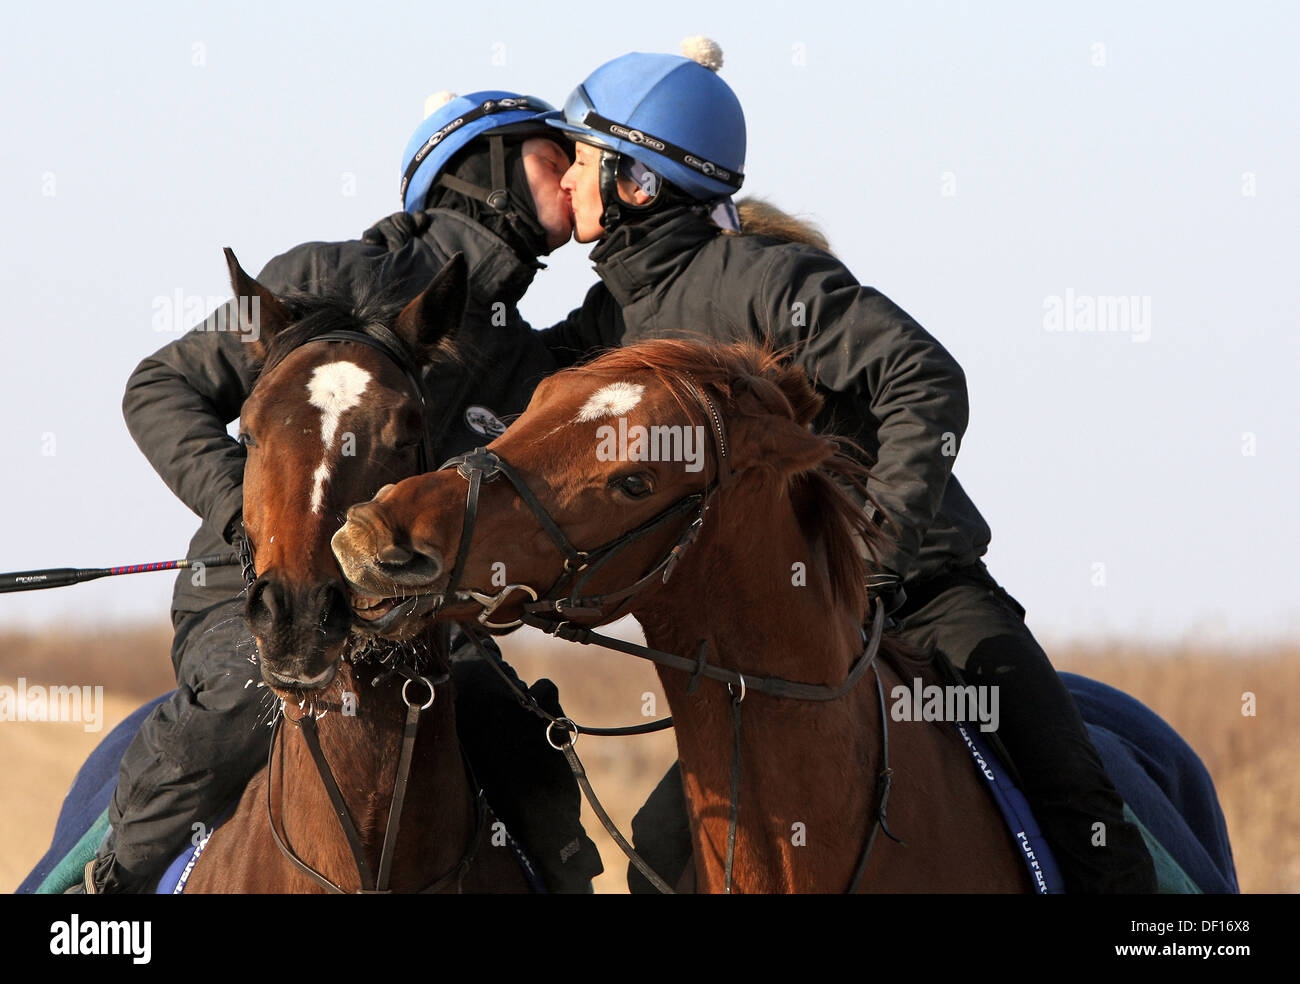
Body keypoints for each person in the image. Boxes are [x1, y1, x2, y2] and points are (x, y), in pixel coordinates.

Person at [539, 38, 1158, 894]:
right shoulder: (606, 327)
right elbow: (503, 421)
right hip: (766, 647)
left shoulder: (765, 278)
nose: (563, 181)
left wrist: (875, 558)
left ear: (636, 182)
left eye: (578, 160)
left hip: (923, 599)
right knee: (660, 856)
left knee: (1079, 803)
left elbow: (924, 375)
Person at [82, 90, 603, 893]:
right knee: (232, 710)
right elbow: (159, 387)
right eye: (553, 155)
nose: (576, 175)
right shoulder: (325, 275)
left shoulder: (527, 356)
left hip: (420, 619)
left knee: (516, 729)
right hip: (255, 587)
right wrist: (245, 518)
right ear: (483, 166)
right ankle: (104, 893)